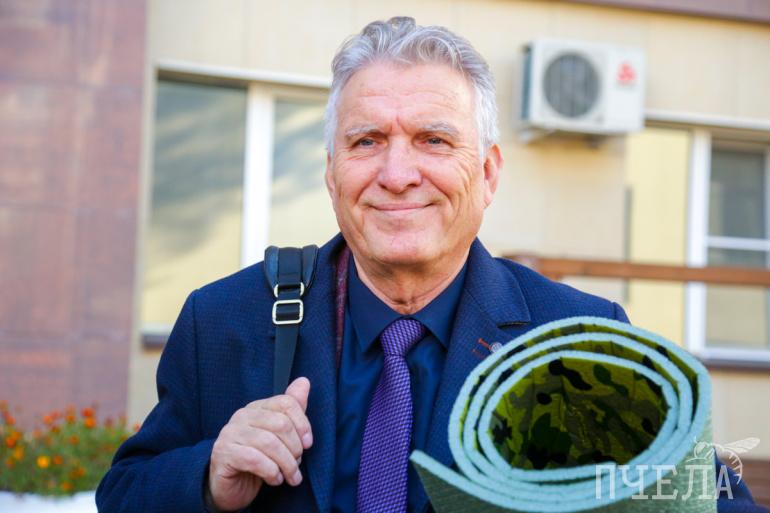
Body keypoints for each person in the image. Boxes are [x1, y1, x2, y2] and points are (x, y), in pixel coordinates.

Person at [97, 16, 763, 513]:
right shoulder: (223, 320)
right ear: (331, 173)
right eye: (367, 141)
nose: (397, 174)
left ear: (488, 173)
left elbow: (715, 502)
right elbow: (122, 492)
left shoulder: (578, 339)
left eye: (433, 140)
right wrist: (209, 477)